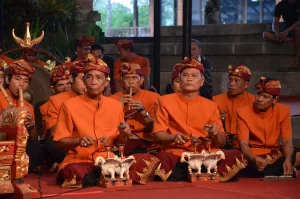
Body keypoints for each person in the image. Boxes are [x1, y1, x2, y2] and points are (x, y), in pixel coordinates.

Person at [54, 55, 159, 188]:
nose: (93, 81)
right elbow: (59, 142)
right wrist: (78, 140)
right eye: (89, 77)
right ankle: (110, 176)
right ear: (84, 81)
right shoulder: (69, 105)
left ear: (106, 82)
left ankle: (104, 175)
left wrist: (123, 134)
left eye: (98, 77)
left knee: (147, 160)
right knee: (72, 171)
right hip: (80, 160)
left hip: (108, 160)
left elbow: (120, 143)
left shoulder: (115, 105)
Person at [151, 57, 247, 182]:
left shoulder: (211, 105)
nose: (189, 79)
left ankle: (193, 171)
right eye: (185, 75)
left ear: (202, 81)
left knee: (235, 155)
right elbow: (157, 135)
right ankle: (202, 172)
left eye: (194, 76)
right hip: (178, 153)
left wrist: (216, 133)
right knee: (163, 158)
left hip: (206, 154)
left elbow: (221, 143)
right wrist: (173, 137)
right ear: (180, 81)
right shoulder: (164, 101)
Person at [237, 77, 300, 177]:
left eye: (265, 97)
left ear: (275, 99)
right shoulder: (243, 112)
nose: (259, 99)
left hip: (276, 153)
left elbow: (287, 141)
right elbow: (243, 143)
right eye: (258, 94)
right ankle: (281, 169)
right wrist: (252, 159)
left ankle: (282, 167)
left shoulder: (283, 111)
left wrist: (288, 159)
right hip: (253, 154)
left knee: (297, 156)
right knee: (239, 163)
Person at [0, 60, 42, 172]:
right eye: (17, 79)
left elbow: (32, 138)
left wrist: (31, 127)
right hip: (3, 143)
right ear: (8, 80)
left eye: (26, 81)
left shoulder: (28, 106)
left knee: (36, 145)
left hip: (20, 147)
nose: (21, 84)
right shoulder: (0, 97)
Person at [111, 62, 160, 156]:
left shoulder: (154, 97)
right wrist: (117, 107)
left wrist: (143, 111)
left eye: (134, 77)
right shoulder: (112, 99)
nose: (131, 81)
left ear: (141, 80)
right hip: (121, 140)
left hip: (146, 139)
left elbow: (156, 127)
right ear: (121, 81)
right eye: (127, 78)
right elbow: (106, 125)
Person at [39, 64, 71, 172]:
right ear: (53, 89)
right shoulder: (45, 107)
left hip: (79, 142)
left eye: (68, 84)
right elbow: (53, 133)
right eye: (61, 85)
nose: (65, 88)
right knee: (48, 145)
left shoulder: (80, 99)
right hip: (61, 143)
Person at [46, 58, 86, 136]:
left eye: (88, 78)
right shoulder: (56, 101)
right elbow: (54, 132)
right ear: (71, 78)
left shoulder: (95, 98)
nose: (86, 83)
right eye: (82, 79)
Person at [213, 65, 254, 136]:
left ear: (246, 85)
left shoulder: (254, 101)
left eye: (236, 80)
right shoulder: (217, 100)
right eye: (230, 80)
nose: (231, 84)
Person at [262, 0, 300, 70]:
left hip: (296, 29)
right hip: (286, 31)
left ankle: (297, 63)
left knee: (298, 30)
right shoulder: (281, 4)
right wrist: (277, 33)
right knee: (265, 35)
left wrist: (288, 30)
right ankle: (292, 39)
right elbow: (275, 22)